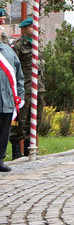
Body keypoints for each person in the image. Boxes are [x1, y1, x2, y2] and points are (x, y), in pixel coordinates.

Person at [10, 17, 35, 159]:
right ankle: (15, 149)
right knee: (20, 119)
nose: (34, 28)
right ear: (24, 29)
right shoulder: (18, 46)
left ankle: (28, 148)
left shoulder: (38, 44)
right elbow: (15, 68)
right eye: (31, 26)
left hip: (38, 88)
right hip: (23, 88)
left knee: (35, 119)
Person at [0, 39, 24, 171]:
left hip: (7, 101)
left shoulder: (9, 51)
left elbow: (19, 76)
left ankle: (0, 159)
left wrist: (20, 96)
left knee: (3, 132)